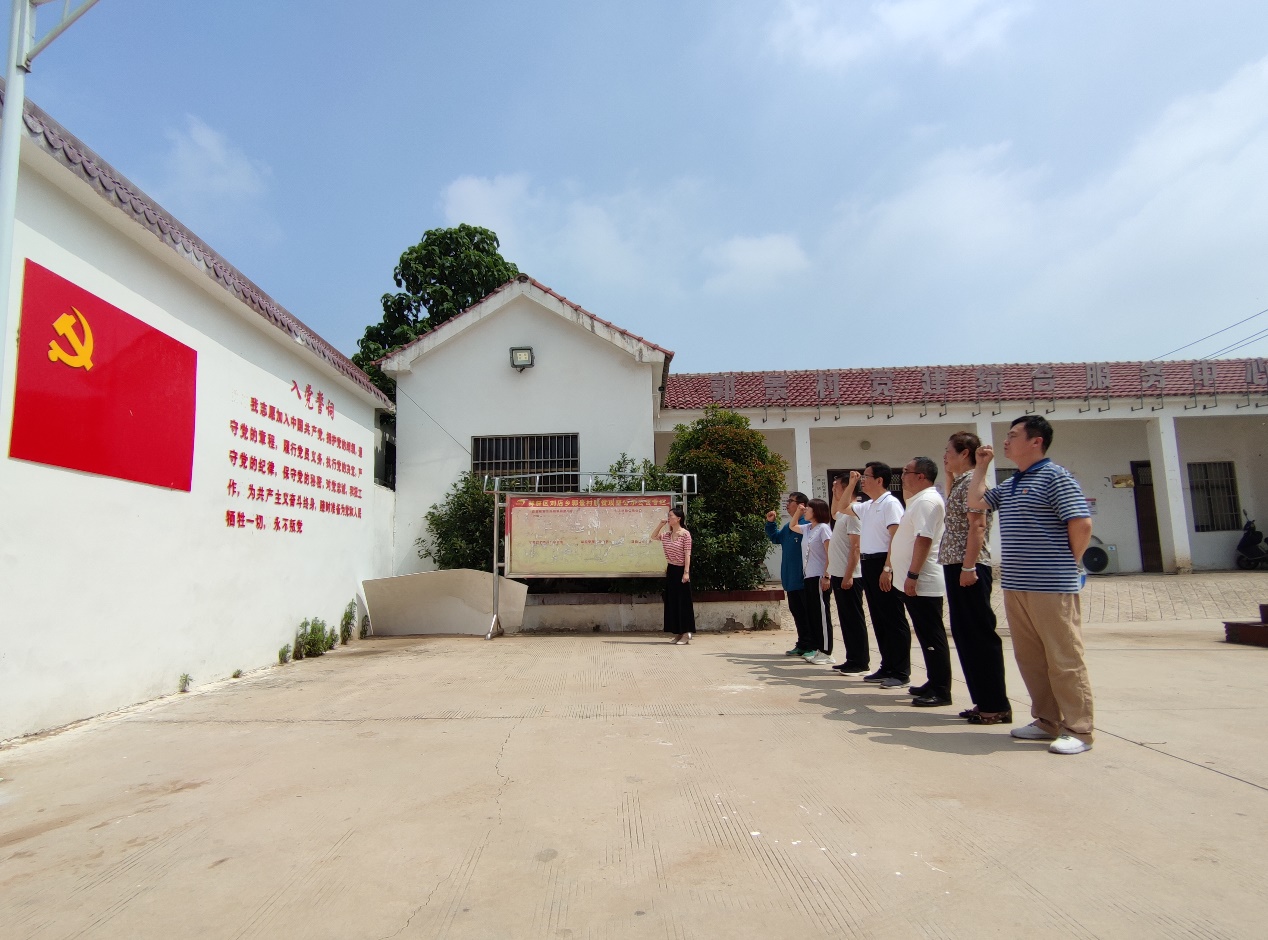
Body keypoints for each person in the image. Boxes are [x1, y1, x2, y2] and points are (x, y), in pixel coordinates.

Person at [969, 416, 1095, 755]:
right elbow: (978, 502)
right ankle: (1046, 721)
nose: (1006, 441)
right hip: (1017, 584)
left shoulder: (1056, 477)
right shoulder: (1012, 482)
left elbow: (1082, 524)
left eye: (1013, 435)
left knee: (1064, 657)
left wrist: (1067, 563)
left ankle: (1079, 729)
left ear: (1036, 441)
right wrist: (981, 467)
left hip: (1051, 584)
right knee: (1031, 657)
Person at [941, 431, 1010, 724]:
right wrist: (948, 473)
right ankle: (983, 701)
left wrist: (968, 567)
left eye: (949, 451)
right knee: (965, 634)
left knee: (978, 634)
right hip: (956, 564)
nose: (945, 456)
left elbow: (977, 526)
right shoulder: (961, 482)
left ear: (965, 453)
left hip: (969, 566)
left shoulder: (974, 482)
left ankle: (995, 705)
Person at [838, 464, 911, 688]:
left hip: (883, 562)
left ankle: (901, 671)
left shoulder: (890, 504)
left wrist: (888, 568)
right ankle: (887, 665)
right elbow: (842, 507)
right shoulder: (868, 505)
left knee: (893, 618)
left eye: (866, 477)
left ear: (879, 480)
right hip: (868, 564)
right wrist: (851, 483)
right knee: (879, 618)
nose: (863, 480)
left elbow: (895, 537)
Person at [888, 457, 950, 707]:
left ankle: (941, 690)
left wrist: (913, 575)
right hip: (914, 580)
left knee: (932, 636)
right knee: (925, 636)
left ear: (921, 476)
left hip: (923, 581)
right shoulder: (917, 500)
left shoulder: (926, 501)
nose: (902, 476)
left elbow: (923, 540)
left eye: (906, 472)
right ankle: (933, 681)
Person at [827, 474, 869, 673]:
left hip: (849, 575)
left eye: (837, 486)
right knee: (845, 619)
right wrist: (835, 492)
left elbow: (855, 548)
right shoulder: (843, 513)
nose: (833, 489)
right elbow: (834, 512)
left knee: (853, 619)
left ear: (847, 489)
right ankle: (852, 658)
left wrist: (849, 574)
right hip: (838, 573)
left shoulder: (854, 514)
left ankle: (860, 661)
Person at [765, 493, 811, 656]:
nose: (787, 504)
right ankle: (802, 643)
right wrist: (771, 523)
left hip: (803, 579)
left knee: (807, 614)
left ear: (801, 505)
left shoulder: (806, 526)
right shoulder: (788, 527)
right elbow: (775, 538)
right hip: (790, 579)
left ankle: (811, 645)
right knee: (797, 612)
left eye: (791, 501)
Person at [790, 497, 834, 664]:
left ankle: (827, 651)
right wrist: (798, 512)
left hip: (819, 576)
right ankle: (817, 648)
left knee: (822, 615)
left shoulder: (823, 529)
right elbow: (792, 526)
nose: (805, 511)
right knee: (813, 614)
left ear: (817, 511)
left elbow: (830, 554)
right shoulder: (808, 528)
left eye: (808, 509)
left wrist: (827, 576)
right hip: (808, 576)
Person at [651, 506, 694, 645]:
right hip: (671, 569)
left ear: (679, 518)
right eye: (668, 516)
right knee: (672, 602)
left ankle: (686, 633)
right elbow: (653, 536)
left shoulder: (685, 534)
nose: (669, 518)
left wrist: (686, 572)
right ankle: (678, 633)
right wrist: (661, 524)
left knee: (683, 602)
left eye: (671, 516)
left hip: (681, 570)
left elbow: (687, 554)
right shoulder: (667, 535)